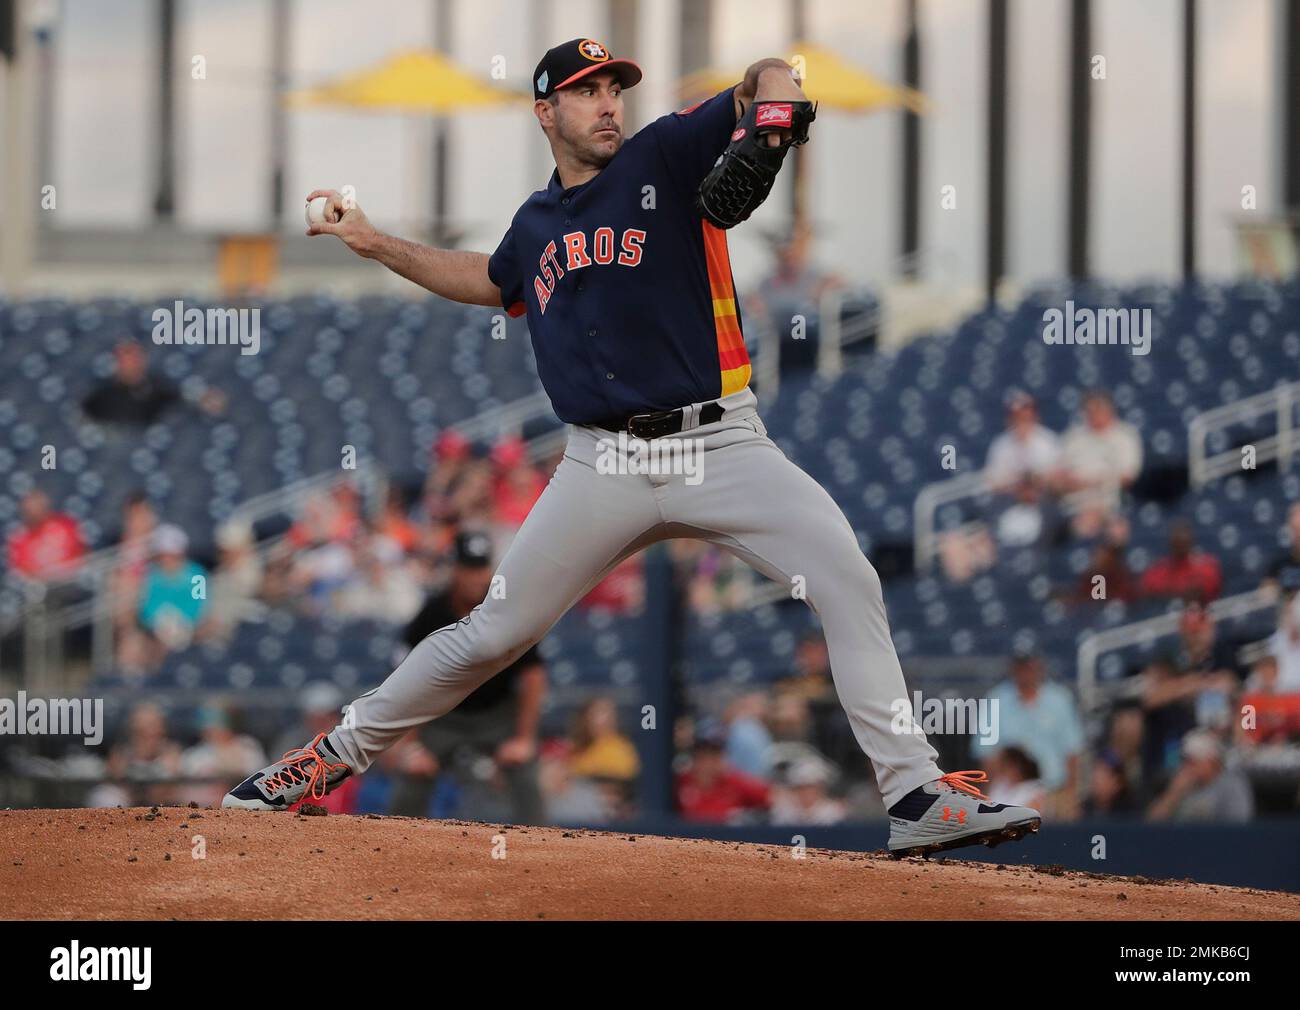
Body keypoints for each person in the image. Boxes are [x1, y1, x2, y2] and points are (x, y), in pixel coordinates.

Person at [226, 38, 1039, 857]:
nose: (608, 102)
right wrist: (375, 242)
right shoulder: (537, 223)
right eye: (586, 92)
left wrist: (777, 105)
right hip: (600, 464)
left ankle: (912, 792)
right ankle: (322, 762)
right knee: (491, 635)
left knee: (847, 577)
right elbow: (490, 279)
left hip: (720, 442)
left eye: (613, 86)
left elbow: (763, 76)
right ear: (546, 113)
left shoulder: (663, 154)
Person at [381, 530, 547, 823]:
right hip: (443, 716)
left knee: (526, 772)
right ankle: (393, 852)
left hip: (497, 715)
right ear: (454, 570)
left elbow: (533, 674)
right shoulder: (432, 614)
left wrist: (524, 738)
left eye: (481, 569)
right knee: (413, 772)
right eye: (468, 569)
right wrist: (411, 744)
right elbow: (403, 678)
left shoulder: (507, 611)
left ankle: (543, 857)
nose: (475, 577)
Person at [971, 652, 1084, 818]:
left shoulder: (1060, 699)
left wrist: (1071, 797)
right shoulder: (995, 699)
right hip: (1011, 791)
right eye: (1021, 667)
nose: (1025, 673)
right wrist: (987, 800)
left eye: (1029, 666)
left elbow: (1073, 753)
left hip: (1053, 790)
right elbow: (987, 756)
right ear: (1013, 669)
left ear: (1039, 666)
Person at [1055, 389, 1143, 536]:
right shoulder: (1072, 437)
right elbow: (1058, 476)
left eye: (1099, 409)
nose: (1094, 414)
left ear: (1110, 410)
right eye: (1090, 410)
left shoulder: (1125, 436)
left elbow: (1128, 477)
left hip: (1110, 503)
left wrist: (1092, 482)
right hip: (1073, 505)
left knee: (1116, 531)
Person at [1147, 730, 1254, 822]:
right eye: (1184, 761)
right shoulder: (1177, 783)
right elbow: (1151, 825)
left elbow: (1238, 828)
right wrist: (1173, 794)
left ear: (1212, 762)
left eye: (1192, 762)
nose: (1186, 767)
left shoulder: (1232, 785)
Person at [81, 340, 181, 426]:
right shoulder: (101, 399)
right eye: (126, 357)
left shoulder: (161, 394)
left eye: (136, 357)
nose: (132, 362)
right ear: (117, 361)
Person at [983, 390, 1061, 494]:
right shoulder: (1000, 445)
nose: (1022, 421)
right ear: (1009, 419)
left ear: (1035, 416)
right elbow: (993, 481)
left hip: (1045, 498)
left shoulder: (1048, 439)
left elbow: (1058, 475)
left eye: (1026, 416)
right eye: (1017, 417)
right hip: (1011, 499)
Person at [6, 489, 85, 581]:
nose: (34, 513)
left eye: (37, 508)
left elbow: (83, 553)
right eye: (30, 511)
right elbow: (22, 575)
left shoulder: (65, 525)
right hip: (42, 590)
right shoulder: (19, 540)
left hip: (73, 581)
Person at [1138, 518, 1222, 603]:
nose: (1180, 543)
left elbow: (1209, 592)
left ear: (1191, 541)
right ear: (1171, 542)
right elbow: (1147, 590)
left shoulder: (1206, 566)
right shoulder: (1158, 570)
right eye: (1177, 540)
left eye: (1183, 541)